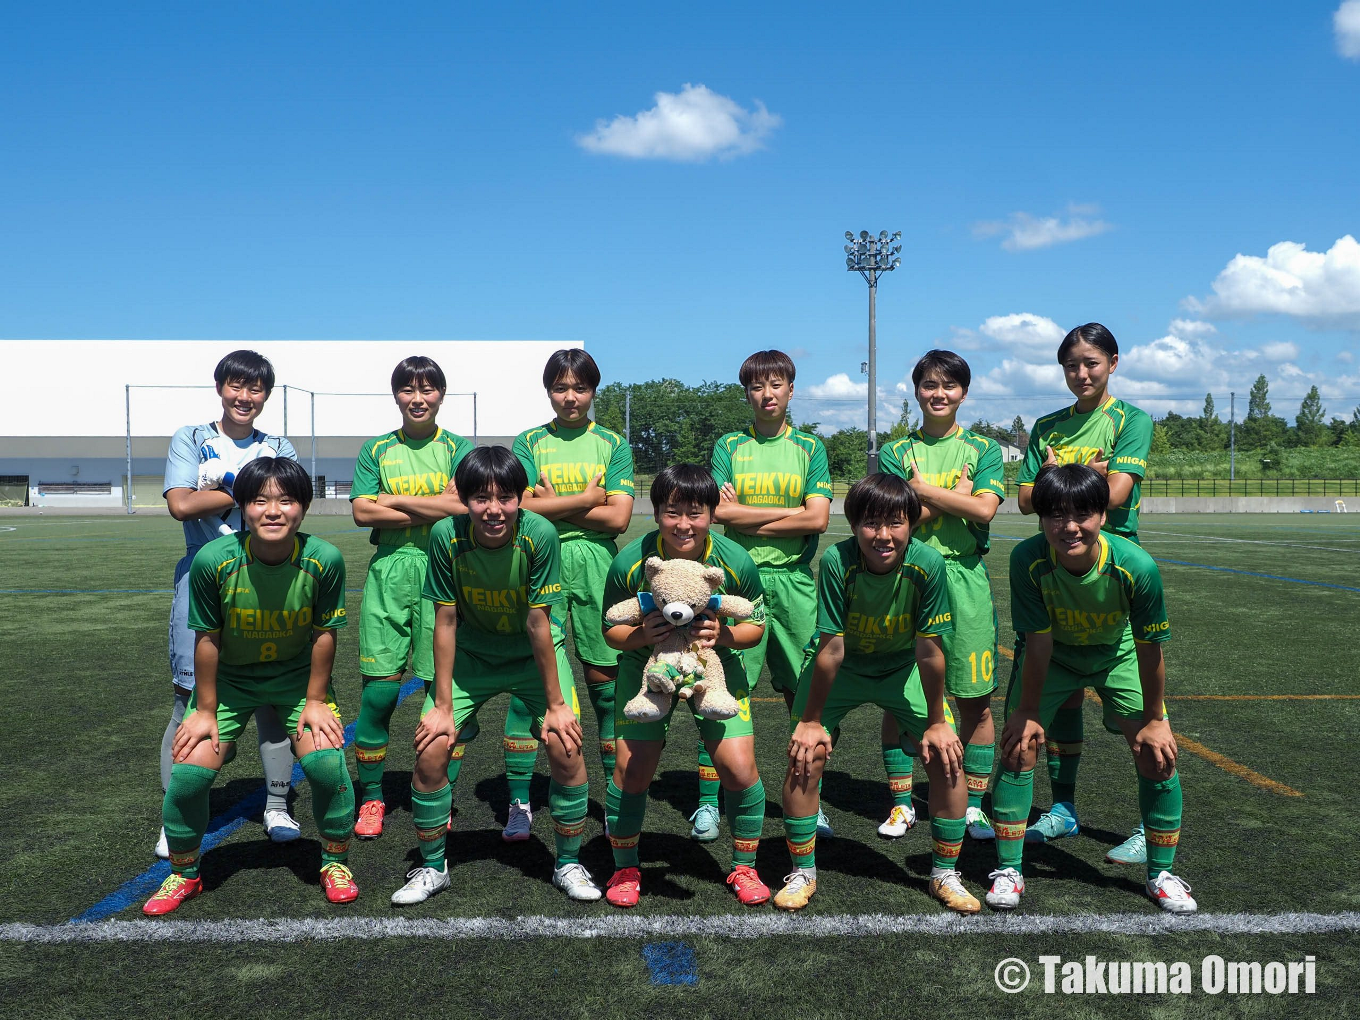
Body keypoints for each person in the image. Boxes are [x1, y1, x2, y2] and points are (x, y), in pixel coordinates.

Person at [143, 457, 357, 914]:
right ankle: (184, 874)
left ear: (304, 507)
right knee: (188, 774)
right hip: (232, 683)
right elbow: (207, 638)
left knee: (326, 768)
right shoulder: (213, 560)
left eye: (286, 500)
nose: (273, 510)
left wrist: (317, 701)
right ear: (242, 507)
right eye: (260, 500)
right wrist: (204, 710)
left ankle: (334, 862)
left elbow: (325, 633)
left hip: (298, 682)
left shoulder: (325, 559)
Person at [390, 446, 599, 905]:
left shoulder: (540, 533)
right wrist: (443, 707)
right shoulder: (446, 535)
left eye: (505, 497)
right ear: (463, 500)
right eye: (481, 499)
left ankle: (567, 863)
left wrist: (557, 706)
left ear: (520, 498)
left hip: (531, 654)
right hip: (473, 658)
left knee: (567, 745)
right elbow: (444, 620)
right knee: (431, 748)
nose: (493, 510)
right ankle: (432, 867)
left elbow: (538, 622)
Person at [987, 464, 1194, 914]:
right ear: (1040, 519)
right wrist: (1025, 711)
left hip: (1115, 654)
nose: (1069, 526)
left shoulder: (1135, 565)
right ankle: (1008, 869)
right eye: (1055, 515)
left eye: (1082, 513)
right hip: (1055, 656)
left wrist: (1156, 719)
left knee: (1156, 752)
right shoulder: (1027, 559)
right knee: (1017, 746)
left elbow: (1149, 650)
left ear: (1103, 514)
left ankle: (1161, 874)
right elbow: (1038, 643)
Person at [776, 473, 977, 913]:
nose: (883, 535)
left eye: (895, 522)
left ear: (911, 523)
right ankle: (803, 871)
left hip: (901, 666)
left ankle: (945, 873)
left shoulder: (929, 564)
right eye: (871, 523)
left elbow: (929, 649)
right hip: (843, 666)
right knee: (804, 754)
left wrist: (939, 723)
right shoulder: (836, 561)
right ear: (853, 525)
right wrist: (810, 721)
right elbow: (831, 647)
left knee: (947, 756)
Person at [1015, 323, 1154, 863]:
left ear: (1113, 363)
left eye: (1092, 363)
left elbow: (1116, 494)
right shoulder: (1047, 424)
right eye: (1072, 364)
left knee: (1135, 712)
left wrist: (1060, 475)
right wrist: (1081, 473)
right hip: (1053, 566)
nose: (1082, 373)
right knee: (1061, 690)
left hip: (1108, 566)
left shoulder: (1131, 420)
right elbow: (1027, 499)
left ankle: (1149, 826)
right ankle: (1063, 809)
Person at [601, 465, 771, 908]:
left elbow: (755, 625)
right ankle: (624, 867)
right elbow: (611, 632)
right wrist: (644, 635)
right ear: (655, 513)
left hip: (714, 667)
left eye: (694, 513)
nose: (683, 524)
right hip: (648, 670)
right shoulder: (632, 561)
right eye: (672, 512)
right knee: (632, 771)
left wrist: (724, 635)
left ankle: (745, 866)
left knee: (737, 768)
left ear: (712, 514)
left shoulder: (734, 560)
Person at [158, 349, 299, 858]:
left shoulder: (279, 444)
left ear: (265, 395)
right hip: (203, 573)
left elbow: (284, 504)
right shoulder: (190, 437)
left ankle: (278, 805)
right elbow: (179, 505)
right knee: (188, 698)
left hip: (270, 577)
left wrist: (221, 486)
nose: (245, 397)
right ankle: (177, 813)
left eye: (256, 389)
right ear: (220, 387)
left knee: (273, 698)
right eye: (236, 386)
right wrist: (247, 490)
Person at [878, 351, 1005, 843]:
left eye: (949, 386)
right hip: (906, 577)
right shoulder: (894, 451)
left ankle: (972, 806)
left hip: (965, 578)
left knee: (974, 698)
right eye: (929, 384)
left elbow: (986, 511)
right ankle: (902, 803)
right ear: (916, 391)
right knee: (898, 695)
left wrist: (921, 491)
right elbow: (896, 521)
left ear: (964, 393)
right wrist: (955, 497)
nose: (939, 393)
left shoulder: (984, 449)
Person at [706, 350, 832, 842]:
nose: (767, 394)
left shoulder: (809, 446)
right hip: (738, 581)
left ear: (791, 390)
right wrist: (789, 512)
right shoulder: (729, 445)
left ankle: (808, 797)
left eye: (776, 384)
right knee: (721, 686)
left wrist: (748, 514)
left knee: (802, 694)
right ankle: (711, 801)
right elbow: (720, 515)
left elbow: (818, 518)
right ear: (747, 394)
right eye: (757, 387)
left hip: (795, 581)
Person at [349, 357, 473, 840]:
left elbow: (462, 509)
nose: (417, 398)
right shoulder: (376, 449)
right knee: (378, 693)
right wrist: (432, 506)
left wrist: (393, 502)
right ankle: (373, 798)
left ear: (441, 394)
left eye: (427, 389)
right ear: (395, 395)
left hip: (445, 572)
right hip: (388, 574)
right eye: (407, 389)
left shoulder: (459, 449)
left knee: (441, 695)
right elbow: (362, 512)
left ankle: (440, 793)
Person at [512, 349, 635, 837]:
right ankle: (519, 802)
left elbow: (619, 518)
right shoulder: (529, 442)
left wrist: (554, 505)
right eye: (560, 388)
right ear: (548, 391)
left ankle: (614, 802)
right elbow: (518, 508)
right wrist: (587, 499)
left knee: (606, 689)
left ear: (593, 391)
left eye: (579, 388)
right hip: (538, 563)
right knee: (532, 692)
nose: (570, 397)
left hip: (598, 568)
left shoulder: (612, 443)